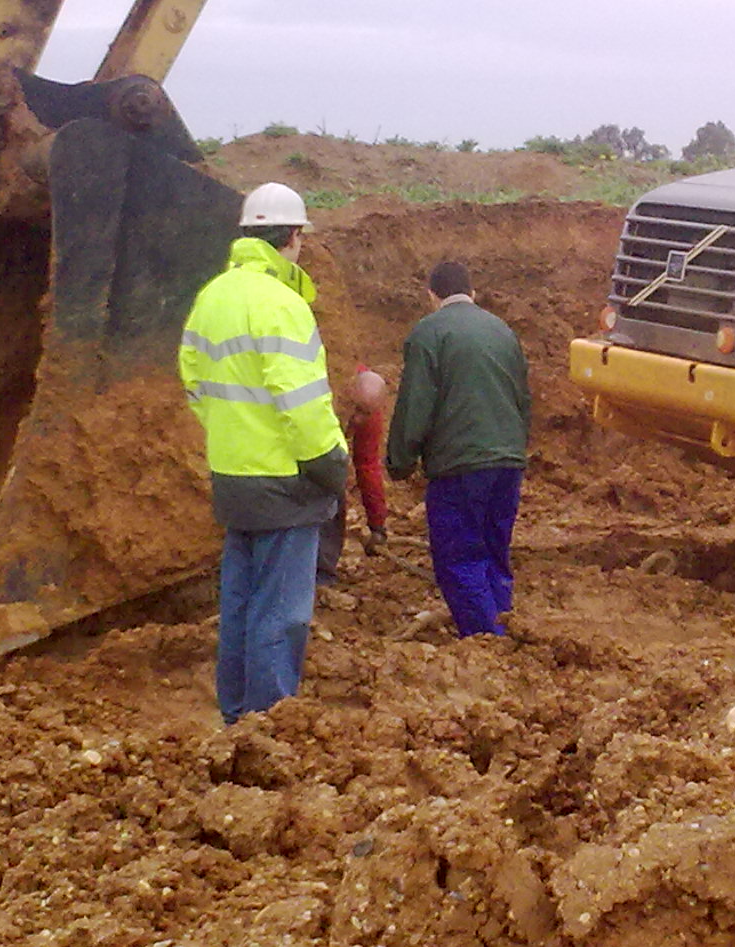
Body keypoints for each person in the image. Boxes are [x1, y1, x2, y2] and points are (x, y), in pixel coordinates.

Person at [178, 181, 347, 723]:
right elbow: (302, 404)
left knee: (241, 607)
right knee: (281, 613)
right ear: (293, 237)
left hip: (232, 474)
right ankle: (269, 725)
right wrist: (330, 464)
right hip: (284, 481)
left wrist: (233, 433)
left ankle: (235, 716)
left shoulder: (213, 295)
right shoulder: (282, 304)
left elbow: (193, 381)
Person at [386, 260, 532, 636]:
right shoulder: (502, 331)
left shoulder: (428, 334)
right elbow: (522, 399)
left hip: (459, 466)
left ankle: (487, 642)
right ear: (473, 293)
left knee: (460, 558)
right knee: (495, 552)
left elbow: (415, 404)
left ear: (432, 296)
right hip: (507, 461)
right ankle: (502, 621)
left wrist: (400, 462)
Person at [316, 365, 391, 582]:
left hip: (329, 451)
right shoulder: (325, 392)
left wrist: (377, 523)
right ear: (345, 392)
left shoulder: (370, 414)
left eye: (365, 413)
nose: (357, 419)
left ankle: (322, 573)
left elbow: (367, 465)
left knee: (334, 494)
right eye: (355, 409)